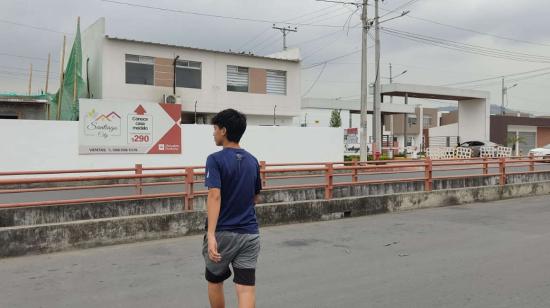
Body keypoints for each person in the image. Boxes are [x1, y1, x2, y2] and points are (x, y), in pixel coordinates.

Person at [202, 108, 262, 308]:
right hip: (250, 234)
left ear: (224, 131)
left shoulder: (215, 160)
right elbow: (255, 197)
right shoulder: (253, 161)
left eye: (215, 128)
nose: (213, 133)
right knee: (245, 288)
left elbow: (214, 195)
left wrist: (211, 235)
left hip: (222, 233)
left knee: (215, 281)